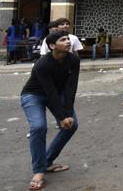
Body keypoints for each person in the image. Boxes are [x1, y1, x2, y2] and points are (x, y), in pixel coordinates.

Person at [20, 31, 80, 191]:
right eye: (63, 40)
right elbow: (49, 90)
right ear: (52, 46)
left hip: (57, 94)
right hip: (34, 95)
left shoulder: (73, 60)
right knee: (39, 127)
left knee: (71, 125)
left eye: (68, 39)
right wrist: (61, 117)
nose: (68, 41)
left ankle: (47, 161)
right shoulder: (42, 64)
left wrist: (67, 114)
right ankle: (39, 171)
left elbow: (70, 88)